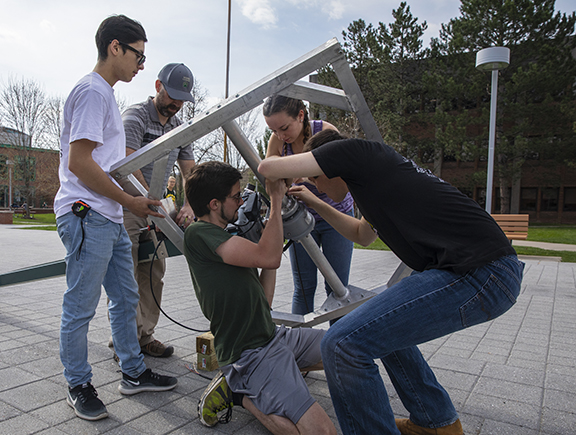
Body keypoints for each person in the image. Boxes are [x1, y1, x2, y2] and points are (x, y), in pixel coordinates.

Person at [258, 130, 524, 435]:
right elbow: (362, 235)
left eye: (316, 178)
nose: (314, 185)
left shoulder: (356, 152)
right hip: (474, 271)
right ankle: (435, 422)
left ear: (331, 165)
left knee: (342, 344)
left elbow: (267, 167)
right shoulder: (371, 182)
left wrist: (276, 153)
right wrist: (314, 203)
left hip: (480, 272)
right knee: (374, 328)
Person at [53, 14, 177, 422]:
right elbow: (81, 164)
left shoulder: (105, 94)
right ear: (115, 48)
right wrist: (129, 200)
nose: (142, 66)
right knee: (81, 305)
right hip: (86, 213)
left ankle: (133, 370)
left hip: (107, 216)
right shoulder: (92, 91)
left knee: (126, 298)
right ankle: (78, 383)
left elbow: (113, 159)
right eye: (139, 56)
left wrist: (140, 198)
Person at [184, 161, 337, 435]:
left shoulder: (227, 238)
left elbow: (265, 296)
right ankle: (239, 394)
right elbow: (269, 256)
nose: (240, 201)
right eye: (235, 196)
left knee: (344, 348)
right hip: (248, 353)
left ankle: (268, 379)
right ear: (214, 204)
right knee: (321, 432)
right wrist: (276, 203)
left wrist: (271, 231)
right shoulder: (198, 234)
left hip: (272, 337)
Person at [120, 63, 196, 358]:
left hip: (156, 207)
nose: (176, 104)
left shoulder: (179, 128)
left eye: (182, 99)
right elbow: (127, 162)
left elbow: (190, 171)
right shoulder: (135, 116)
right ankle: (126, 343)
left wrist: (189, 203)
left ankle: (145, 336)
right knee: (125, 276)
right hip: (128, 204)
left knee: (153, 273)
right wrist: (148, 197)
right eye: (172, 95)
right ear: (157, 86)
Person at [262, 95, 354, 316]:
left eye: (284, 128)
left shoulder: (325, 132)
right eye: (273, 131)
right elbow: (268, 176)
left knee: (338, 288)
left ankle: (340, 345)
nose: (280, 136)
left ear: (301, 116)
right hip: (300, 219)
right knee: (303, 287)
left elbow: (343, 176)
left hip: (336, 216)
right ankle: (300, 343)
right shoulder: (277, 141)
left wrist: (293, 171)